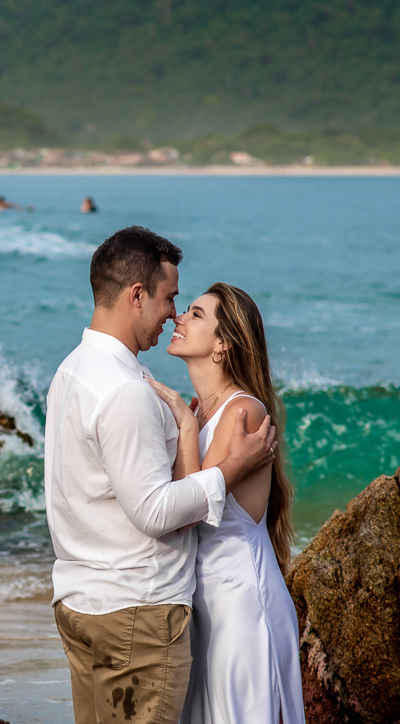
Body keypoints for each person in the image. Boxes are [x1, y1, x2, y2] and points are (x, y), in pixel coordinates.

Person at [44, 227, 277, 724]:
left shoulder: (71, 371)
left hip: (84, 600)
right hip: (134, 612)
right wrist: (232, 465)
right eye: (172, 298)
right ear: (136, 295)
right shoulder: (125, 390)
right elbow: (155, 511)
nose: (173, 313)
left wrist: (188, 429)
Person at [157, 282, 305, 724]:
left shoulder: (243, 412)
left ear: (222, 344)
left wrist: (185, 426)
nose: (179, 318)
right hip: (205, 600)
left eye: (196, 314)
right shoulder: (203, 410)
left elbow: (188, 508)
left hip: (240, 603)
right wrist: (188, 419)